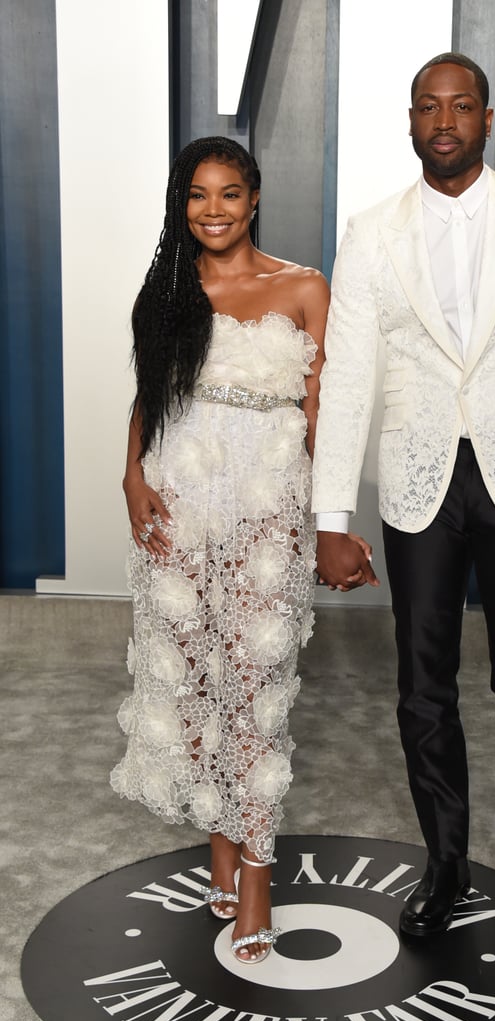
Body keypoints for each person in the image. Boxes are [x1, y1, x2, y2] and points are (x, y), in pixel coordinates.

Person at [312, 54, 495, 964]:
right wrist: (330, 514)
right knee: (422, 686)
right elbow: (351, 374)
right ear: (409, 122)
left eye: (461, 106)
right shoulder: (371, 232)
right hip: (417, 484)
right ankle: (445, 868)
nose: (445, 120)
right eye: (428, 108)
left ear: (487, 117)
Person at [111, 136, 332, 964]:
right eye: (198, 196)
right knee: (196, 676)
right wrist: (131, 477)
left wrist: (327, 518)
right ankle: (218, 843)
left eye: (229, 194)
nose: (214, 210)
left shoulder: (303, 286)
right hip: (179, 496)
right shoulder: (171, 289)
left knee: (257, 682)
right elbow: (150, 393)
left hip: (267, 502)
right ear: (183, 204)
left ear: (254, 198)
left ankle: (258, 880)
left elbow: (322, 413)